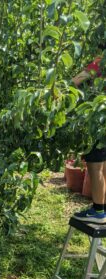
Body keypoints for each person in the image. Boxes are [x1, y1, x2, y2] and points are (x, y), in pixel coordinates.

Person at [72, 44, 106, 223]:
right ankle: (101, 207)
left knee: (95, 167)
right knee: (103, 166)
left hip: (98, 124)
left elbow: (75, 81)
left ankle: (98, 211)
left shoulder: (99, 63)